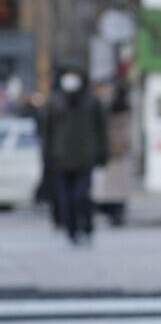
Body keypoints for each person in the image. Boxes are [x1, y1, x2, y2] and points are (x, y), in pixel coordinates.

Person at [42, 64, 108, 246]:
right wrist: (46, 156)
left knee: (80, 196)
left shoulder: (91, 101)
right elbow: (46, 132)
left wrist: (103, 153)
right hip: (60, 160)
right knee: (65, 200)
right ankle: (71, 231)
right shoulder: (55, 101)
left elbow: (101, 129)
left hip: (85, 158)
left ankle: (87, 226)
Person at [92, 82, 134, 226]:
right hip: (116, 155)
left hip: (113, 155)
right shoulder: (123, 113)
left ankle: (112, 212)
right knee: (115, 188)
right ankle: (115, 212)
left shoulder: (106, 112)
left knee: (110, 187)